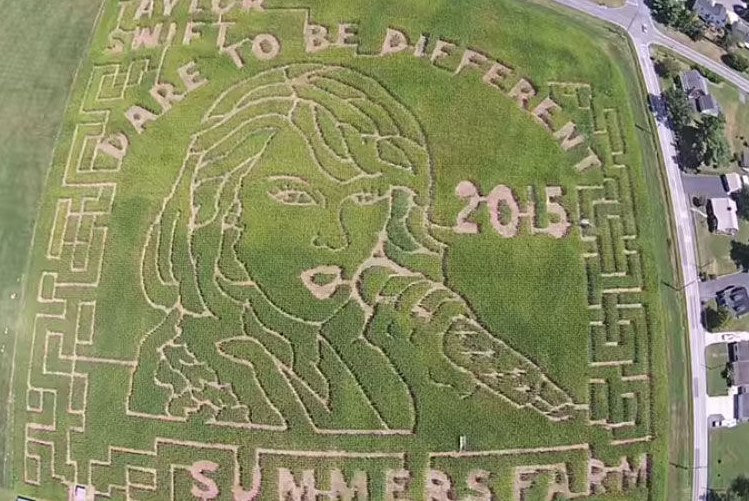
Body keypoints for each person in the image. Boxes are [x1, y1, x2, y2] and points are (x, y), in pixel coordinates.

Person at [129, 64, 576, 433]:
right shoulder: (185, 366)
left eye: (364, 197)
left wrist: (421, 370)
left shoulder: (357, 350)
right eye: (295, 195)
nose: (337, 238)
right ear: (225, 207)